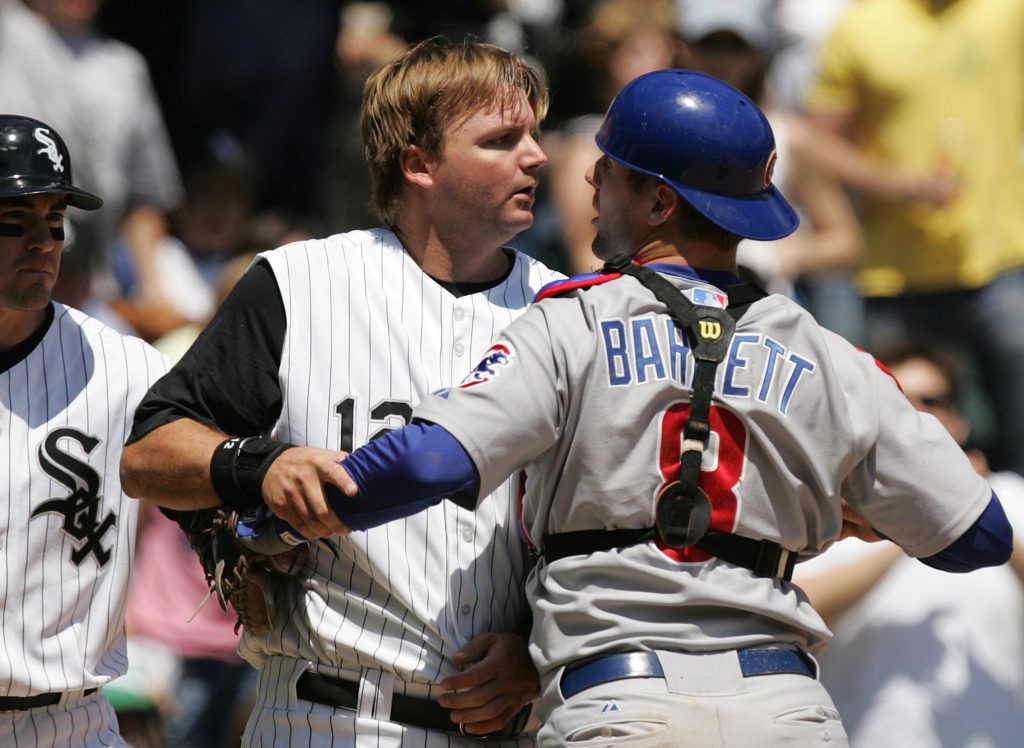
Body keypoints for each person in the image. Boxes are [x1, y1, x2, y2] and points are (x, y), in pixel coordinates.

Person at [296, 70, 1013, 747]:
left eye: (608, 170)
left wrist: (275, 517)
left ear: (659, 203)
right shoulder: (833, 359)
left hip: (622, 702)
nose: (586, 179)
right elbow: (977, 536)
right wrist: (850, 508)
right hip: (787, 711)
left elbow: (427, 460)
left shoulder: (573, 320)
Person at [119, 38, 563, 746]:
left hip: (495, 726)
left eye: (534, 135)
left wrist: (539, 649)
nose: (536, 156)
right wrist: (258, 470)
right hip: (323, 714)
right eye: (502, 140)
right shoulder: (299, 284)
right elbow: (147, 454)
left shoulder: (564, 311)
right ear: (418, 163)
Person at [0, 114, 168, 745]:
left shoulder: (127, 366)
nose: (41, 242)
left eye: (54, 221)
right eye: (14, 221)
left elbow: (209, 505)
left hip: (72, 721)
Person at [805, 0, 1024, 473]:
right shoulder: (860, 28)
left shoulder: (1008, 11)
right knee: (892, 447)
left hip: (1000, 258)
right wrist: (895, 183)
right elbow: (818, 141)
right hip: (895, 275)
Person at [793, 341, 1024, 747]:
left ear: (957, 419)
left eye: (931, 400)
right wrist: (915, 524)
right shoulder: (828, 508)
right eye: (899, 398)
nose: (916, 413)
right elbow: (794, 611)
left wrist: (968, 514)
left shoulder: (1009, 495)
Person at [0, 0, 186, 341]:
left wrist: (153, 289)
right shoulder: (9, 32)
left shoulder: (124, 67)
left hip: (90, 285)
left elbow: (145, 196)